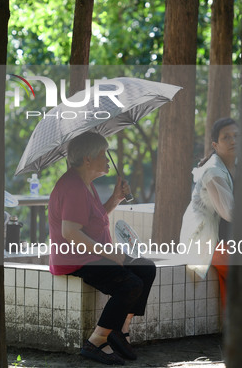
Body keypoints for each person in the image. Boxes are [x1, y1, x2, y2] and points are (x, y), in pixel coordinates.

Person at [48, 132, 156, 365]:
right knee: (130, 283)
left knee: (146, 268)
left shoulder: (86, 184)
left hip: (93, 254)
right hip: (77, 259)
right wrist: (111, 253)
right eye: (103, 154)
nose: (108, 159)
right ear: (87, 159)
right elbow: (70, 232)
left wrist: (116, 199)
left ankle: (119, 332)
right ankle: (96, 341)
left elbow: (93, 220)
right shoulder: (73, 186)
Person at [179, 117, 238, 310]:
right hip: (209, 241)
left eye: (237, 136)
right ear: (215, 144)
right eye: (226, 137)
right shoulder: (213, 172)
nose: (233, 141)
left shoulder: (238, 166)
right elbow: (230, 213)